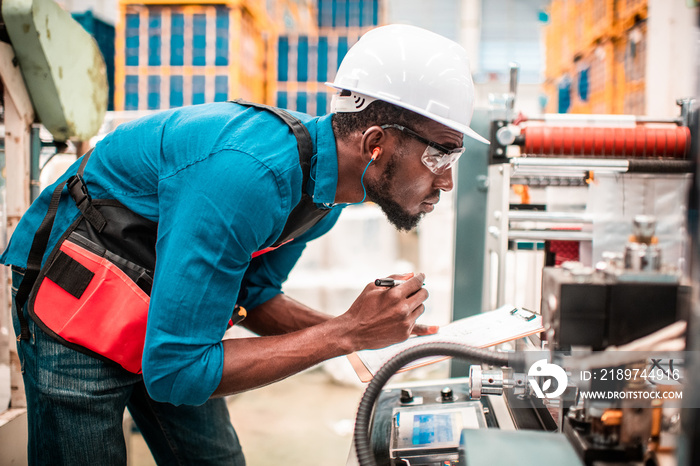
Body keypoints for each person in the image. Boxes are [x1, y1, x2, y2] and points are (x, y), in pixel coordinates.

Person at [1, 24, 487, 465]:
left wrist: (362, 337)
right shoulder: (250, 177)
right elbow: (178, 371)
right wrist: (345, 334)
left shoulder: (329, 193)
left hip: (163, 302)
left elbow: (255, 298)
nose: (446, 182)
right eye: (438, 155)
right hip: (77, 294)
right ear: (375, 143)